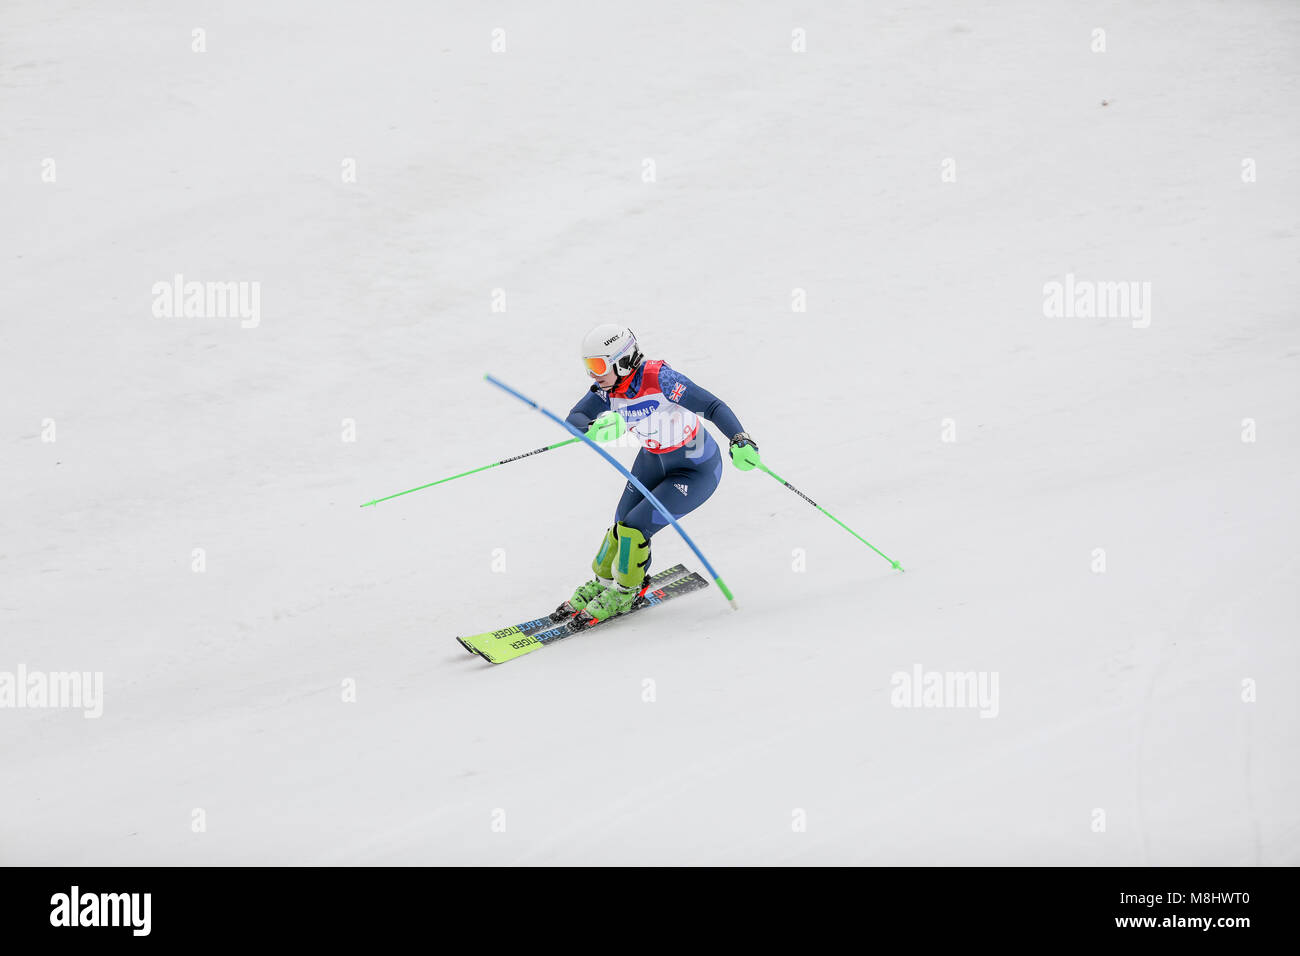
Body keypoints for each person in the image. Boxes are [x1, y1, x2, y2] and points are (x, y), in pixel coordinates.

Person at [557, 324, 760, 624]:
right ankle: (604, 582)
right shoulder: (607, 390)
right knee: (621, 522)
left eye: (598, 365)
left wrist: (739, 438)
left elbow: (713, 406)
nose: (593, 375)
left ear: (622, 361)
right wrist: (593, 429)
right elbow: (575, 418)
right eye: (588, 367)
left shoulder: (661, 379)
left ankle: (626, 591)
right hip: (653, 459)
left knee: (636, 527)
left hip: (695, 468)